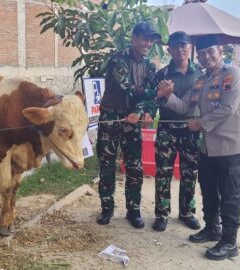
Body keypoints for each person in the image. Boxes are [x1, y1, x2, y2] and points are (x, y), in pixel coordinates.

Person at [184, 35, 240, 260]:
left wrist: (200, 123)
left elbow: (228, 107)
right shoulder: (202, 80)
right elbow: (186, 105)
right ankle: (213, 228)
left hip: (232, 147)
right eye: (201, 54)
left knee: (230, 196)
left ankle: (230, 242)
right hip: (209, 148)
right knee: (209, 190)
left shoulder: (233, 75)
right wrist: (167, 96)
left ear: (220, 50)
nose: (205, 57)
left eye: (210, 52)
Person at [96, 21, 160, 229]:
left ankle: (133, 210)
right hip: (112, 117)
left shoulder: (150, 65)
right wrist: (153, 96)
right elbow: (131, 90)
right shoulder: (118, 60)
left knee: (134, 166)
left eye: (150, 40)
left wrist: (145, 110)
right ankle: (107, 209)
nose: (148, 43)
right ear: (133, 38)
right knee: (107, 166)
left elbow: (151, 96)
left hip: (133, 121)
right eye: (144, 38)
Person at [152, 31, 203, 232]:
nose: (180, 49)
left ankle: (187, 212)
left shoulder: (200, 73)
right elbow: (153, 100)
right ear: (169, 50)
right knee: (163, 172)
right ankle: (161, 213)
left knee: (190, 172)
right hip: (167, 129)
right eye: (176, 46)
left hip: (191, 129)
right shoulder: (161, 75)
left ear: (190, 47)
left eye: (184, 45)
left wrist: (169, 95)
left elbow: (193, 106)